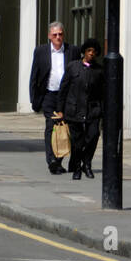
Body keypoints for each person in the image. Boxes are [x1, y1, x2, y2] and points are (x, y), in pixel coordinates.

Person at [29, 22, 76, 174]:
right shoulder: (41, 51)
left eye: (60, 34)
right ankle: (52, 160)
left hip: (66, 96)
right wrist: (34, 99)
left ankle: (58, 160)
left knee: (63, 127)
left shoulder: (72, 51)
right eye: (54, 35)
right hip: (48, 95)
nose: (58, 37)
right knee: (52, 126)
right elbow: (34, 76)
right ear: (49, 36)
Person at [55, 39, 104, 181]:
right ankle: (77, 167)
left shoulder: (99, 71)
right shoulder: (73, 67)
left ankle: (86, 163)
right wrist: (60, 109)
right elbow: (63, 89)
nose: (91, 54)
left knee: (93, 136)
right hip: (74, 110)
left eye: (94, 52)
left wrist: (103, 111)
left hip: (92, 110)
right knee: (77, 142)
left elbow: (102, 93)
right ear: (84, 52)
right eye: (89, 51)